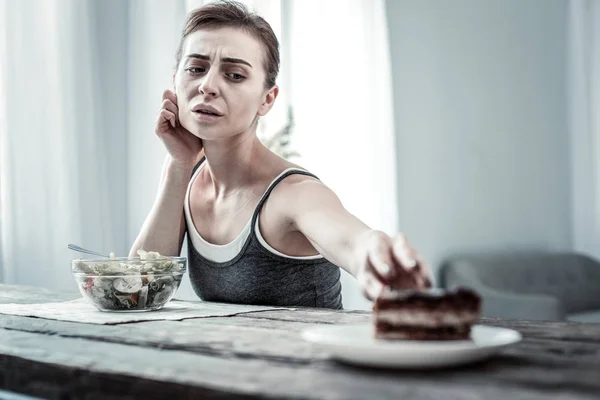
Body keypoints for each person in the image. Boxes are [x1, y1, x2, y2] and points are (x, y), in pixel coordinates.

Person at [129, 0, 432, 309]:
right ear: (175, 82)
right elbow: (139, 289)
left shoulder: (294, 194)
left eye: (234, 75)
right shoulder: (188, 181)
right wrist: (178, 165)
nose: (207, 86)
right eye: (196, 68)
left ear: (267, 99)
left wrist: (377, 256)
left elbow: (354, 241)